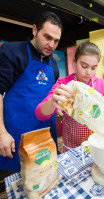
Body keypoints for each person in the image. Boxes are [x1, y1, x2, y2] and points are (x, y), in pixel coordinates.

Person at [36, 42, 104, 152]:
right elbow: (40, 114)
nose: (88, 72)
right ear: (74, 62)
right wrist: (52, 102)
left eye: (93, 68)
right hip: (72, 149)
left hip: (96, 146)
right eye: (84, 66)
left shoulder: (101, 84)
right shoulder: (63, 85)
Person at [0, 11, 63, 173]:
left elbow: (50, 97)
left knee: (45, 178)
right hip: (18, 134)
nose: (52, 45)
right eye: (47, 37)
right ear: (35, 30)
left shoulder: (54, 66)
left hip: (45, 135)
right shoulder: (11, 52)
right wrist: (1, 133)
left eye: (56, 41)